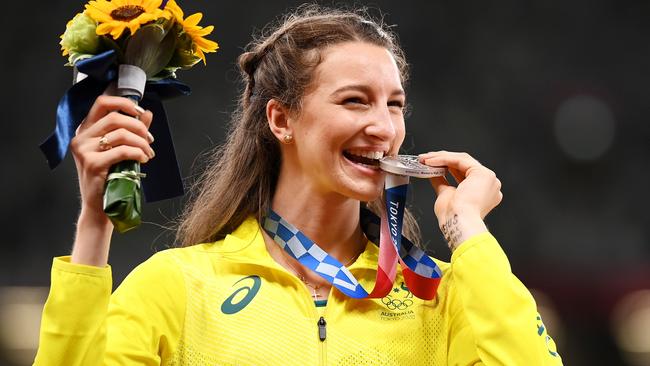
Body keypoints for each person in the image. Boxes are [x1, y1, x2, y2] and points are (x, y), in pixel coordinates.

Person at [34, 4, 562, 365]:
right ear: (281, 119)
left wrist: (468, 232)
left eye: (394, 104)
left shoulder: (440, 296)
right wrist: (94, 225)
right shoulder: (180, 286)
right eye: (355, 100)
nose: (384, 127)